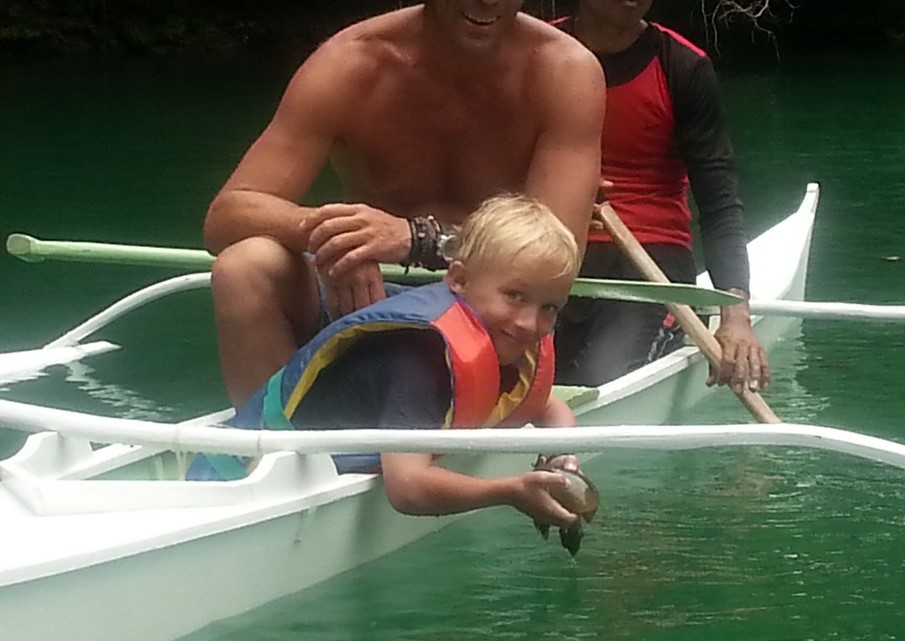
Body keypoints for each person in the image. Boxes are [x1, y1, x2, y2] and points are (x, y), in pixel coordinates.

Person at [203, 1, 605, 407]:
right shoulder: (351, 62)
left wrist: (419, 239)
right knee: (244, 265)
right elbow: (227, 215)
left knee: (523, 290)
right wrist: (342, 235)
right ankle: (274, 447)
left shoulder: (564, 70)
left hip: (488, 310)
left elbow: (558, 255)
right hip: (362, 299)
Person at [190, 194, 590, 531]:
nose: (529, 323)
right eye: (515, 296)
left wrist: (561, 458)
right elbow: (409, 488)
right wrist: (510, 491)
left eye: (549, 307)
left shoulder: (498, 334)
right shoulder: (421, 358)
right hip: (229, 489)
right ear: (459, 280)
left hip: (276, 478)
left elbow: (548, 406)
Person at [551, 0, 769, 395]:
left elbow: (719, 203)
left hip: (651, 263)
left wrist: (735, 315)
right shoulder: (537, 52)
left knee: (598, 378)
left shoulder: (683, 66)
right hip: (549, 249)